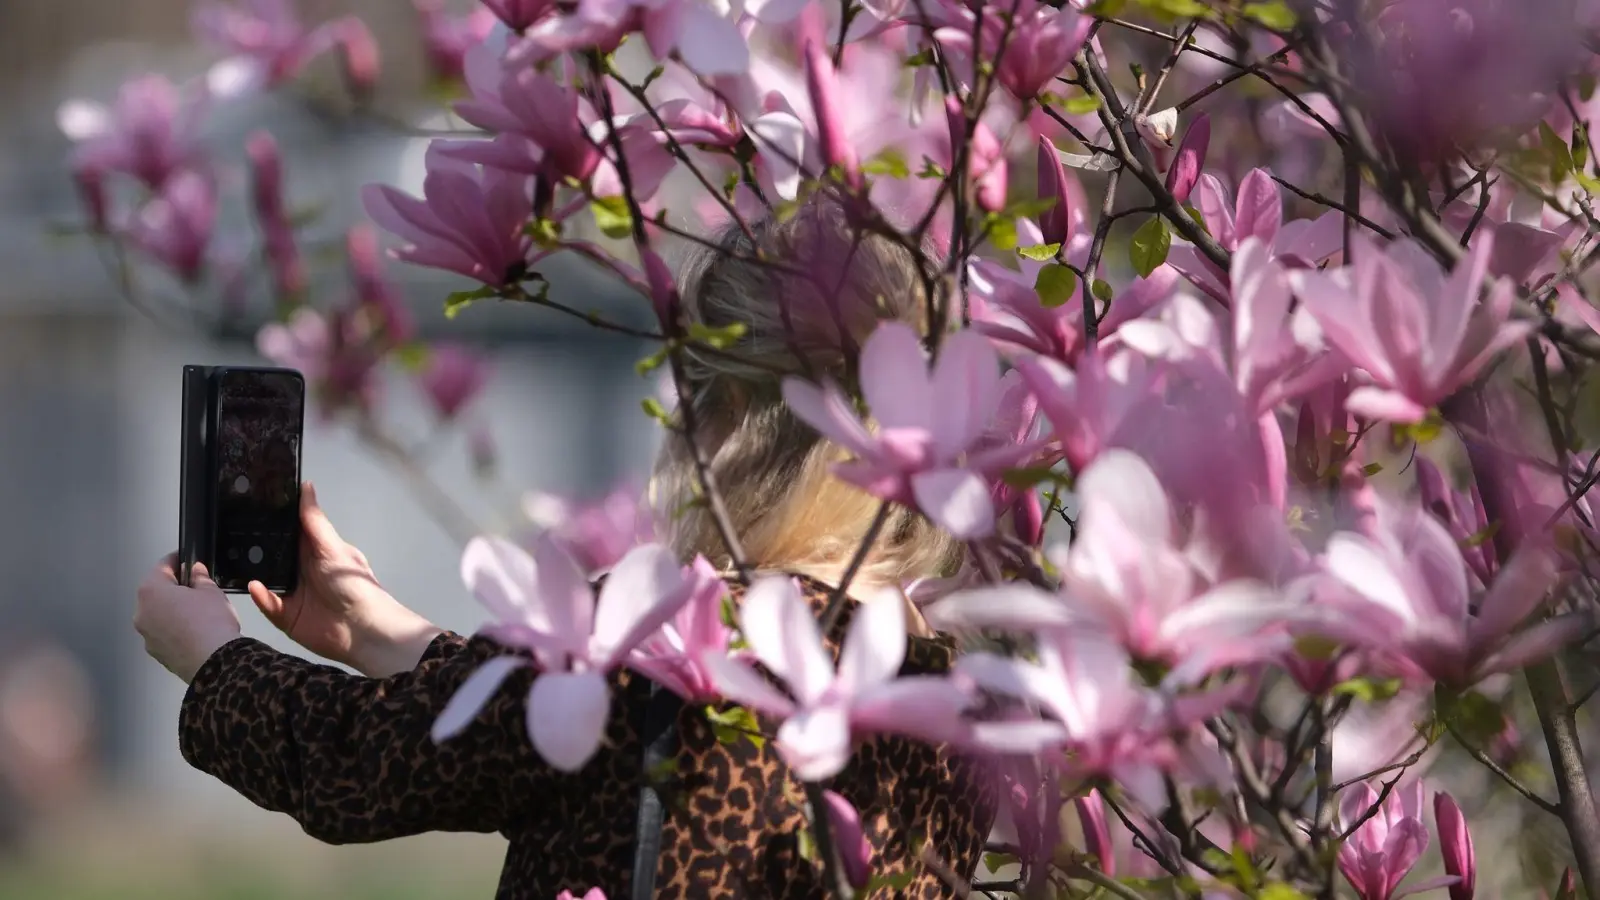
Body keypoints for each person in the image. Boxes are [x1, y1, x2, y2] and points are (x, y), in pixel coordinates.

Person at [133, 200, 1000, 899]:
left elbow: (358, 762)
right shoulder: (952, 698)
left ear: (729, 421)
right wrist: (372, 625)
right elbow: (532, 725)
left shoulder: (664, 642)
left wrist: (214, 662)